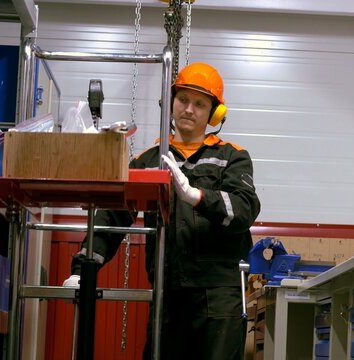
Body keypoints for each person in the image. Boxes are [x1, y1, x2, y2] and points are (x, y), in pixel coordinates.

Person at [63, 62, 261, 359]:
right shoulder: (149, 159)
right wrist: (84, 268)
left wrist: (197, 195)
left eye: (199, 103)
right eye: (182, 100)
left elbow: (245, 208)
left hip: (219, 297)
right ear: (170, 104)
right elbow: (113, 214)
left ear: (214, 113)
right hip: (168, 296)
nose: (189, 109)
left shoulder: (232, 157)